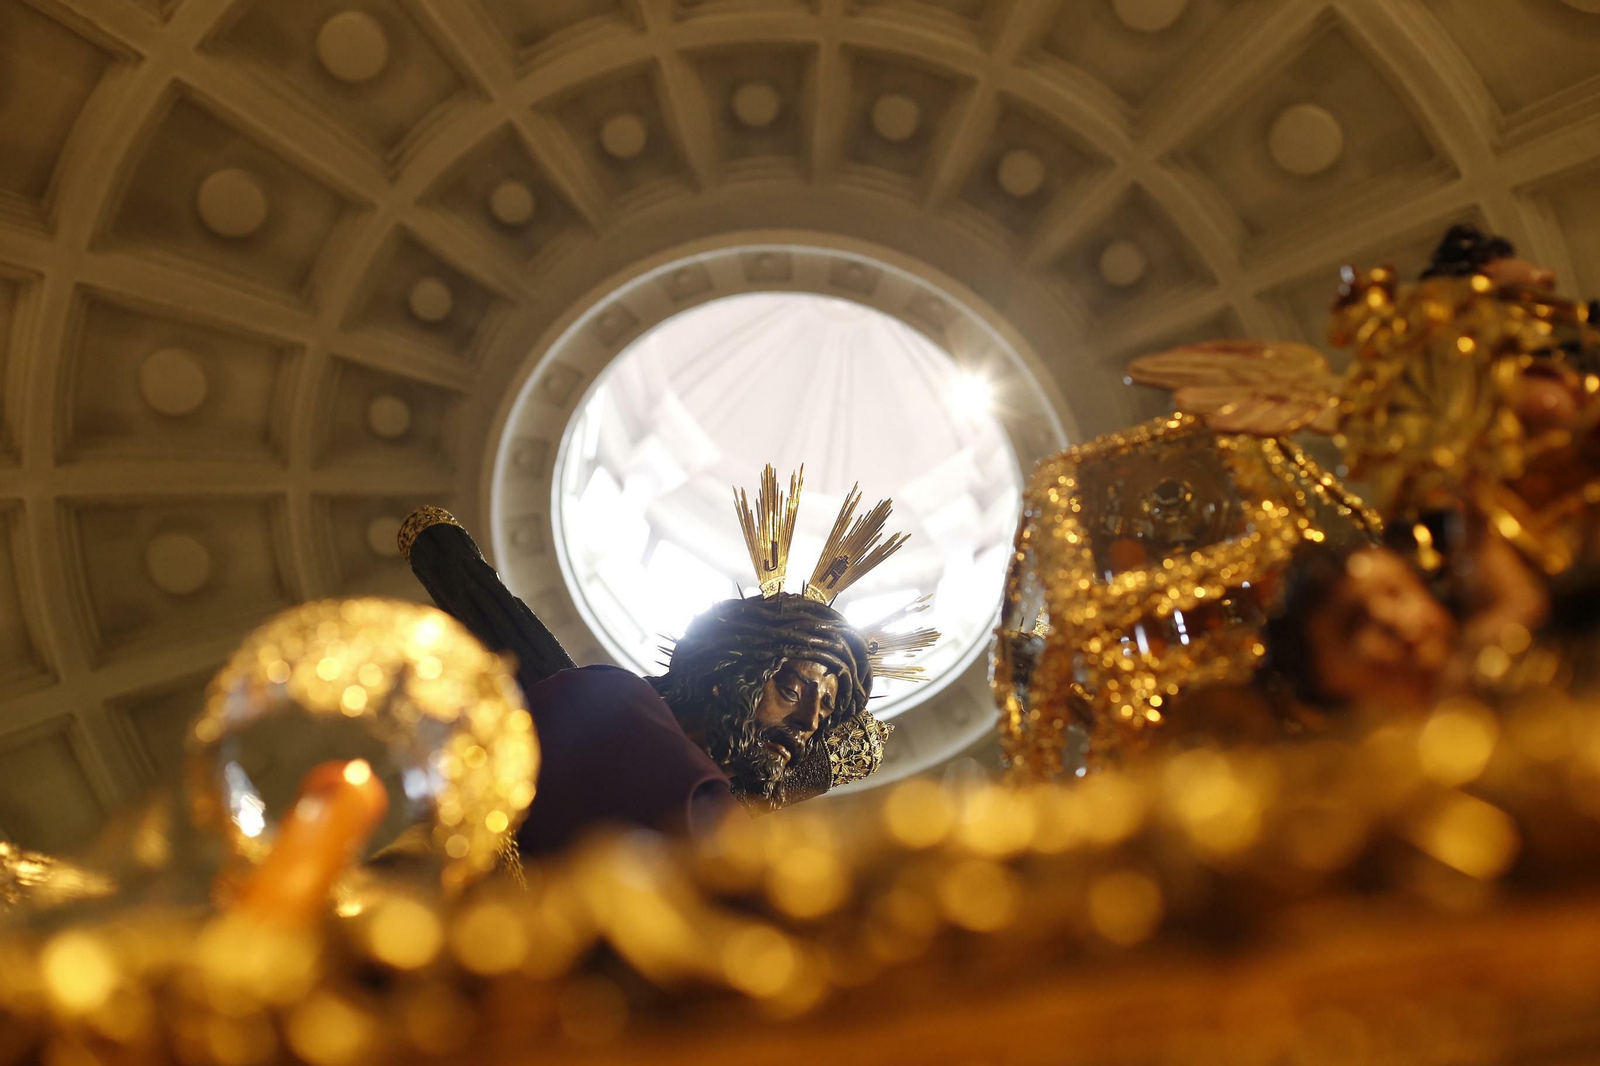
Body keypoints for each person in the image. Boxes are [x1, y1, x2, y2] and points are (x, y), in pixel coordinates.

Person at [398, 467, 934, 857]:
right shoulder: (613, 701)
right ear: (732, 673)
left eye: (822, 716)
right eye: (794, 692)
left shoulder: (724, 808)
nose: (806, 726)